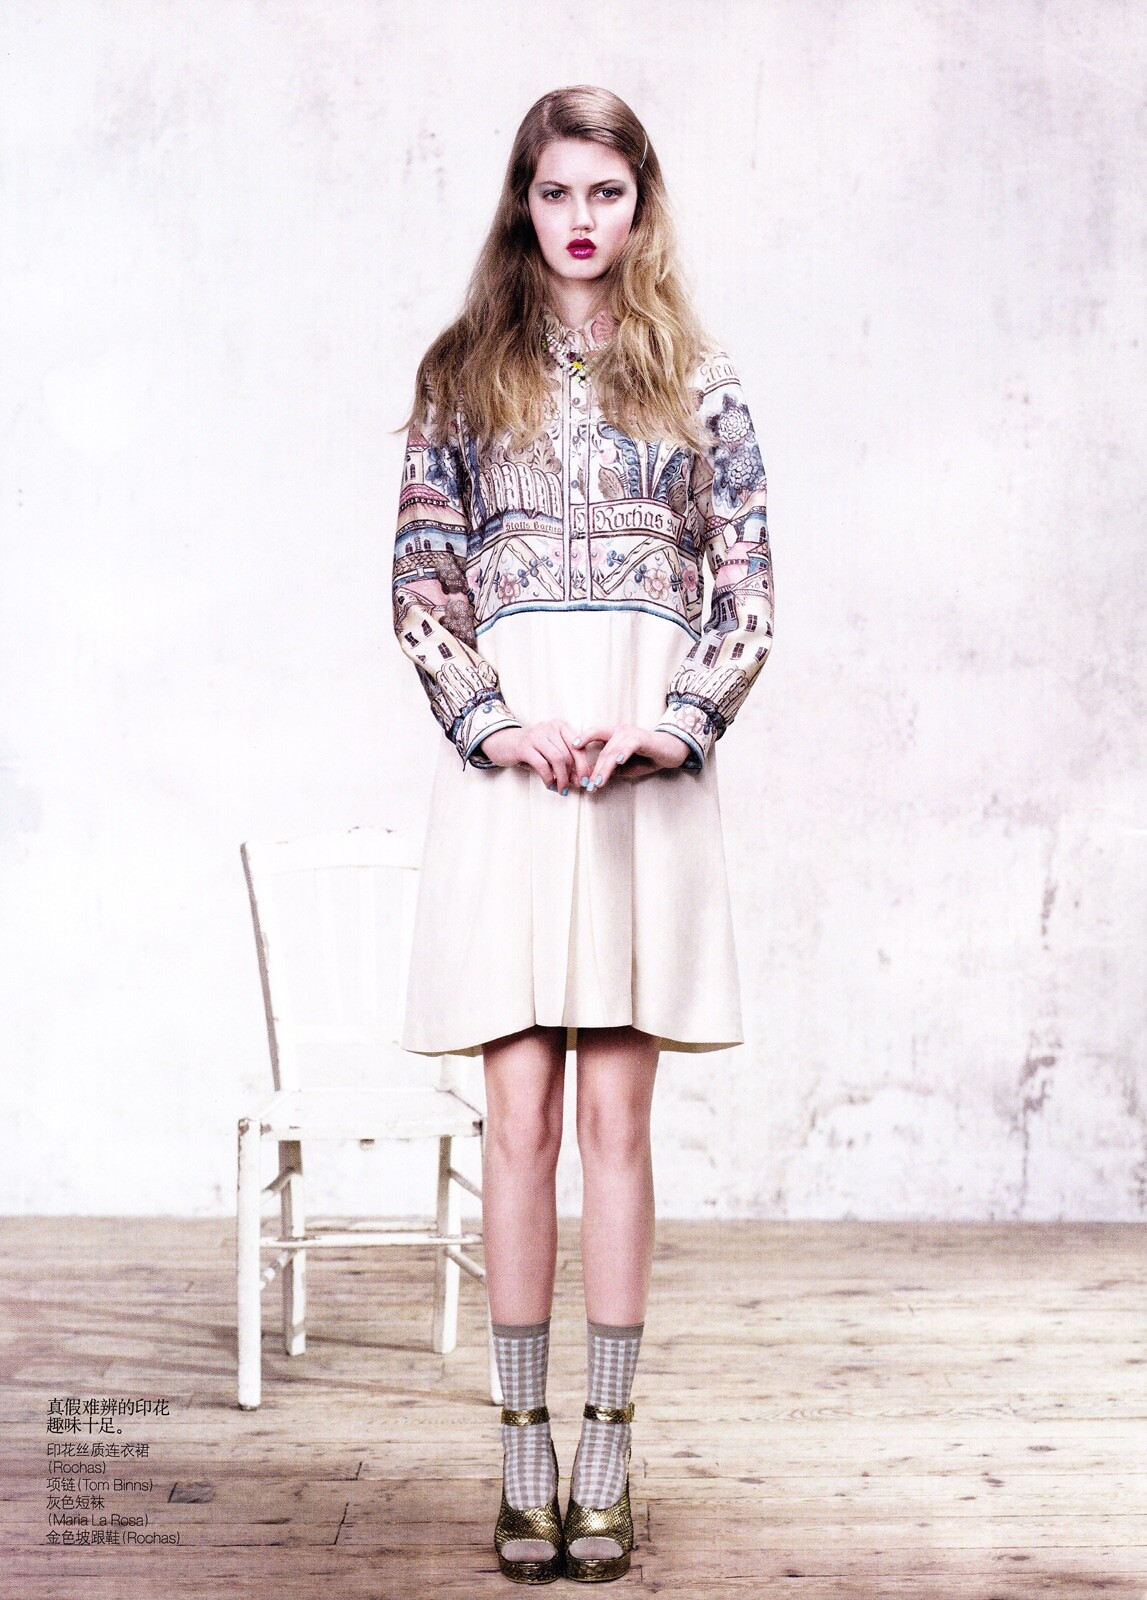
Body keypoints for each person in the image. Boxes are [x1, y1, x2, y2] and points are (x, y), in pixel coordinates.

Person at [392, 85, 773, 1585]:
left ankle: (607, 1452)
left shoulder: (703, 380)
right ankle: (522, 1448)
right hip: (511, 775)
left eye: (605, 192)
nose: (579, 219)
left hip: (639, 774)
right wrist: (491, 720)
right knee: (520, 1122)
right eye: (556, 191)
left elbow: (749, 591)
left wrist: (673, 722)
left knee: (617, 1119)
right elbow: (422, 586)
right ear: (524, 203)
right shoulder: (458, 376)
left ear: (640, 205)